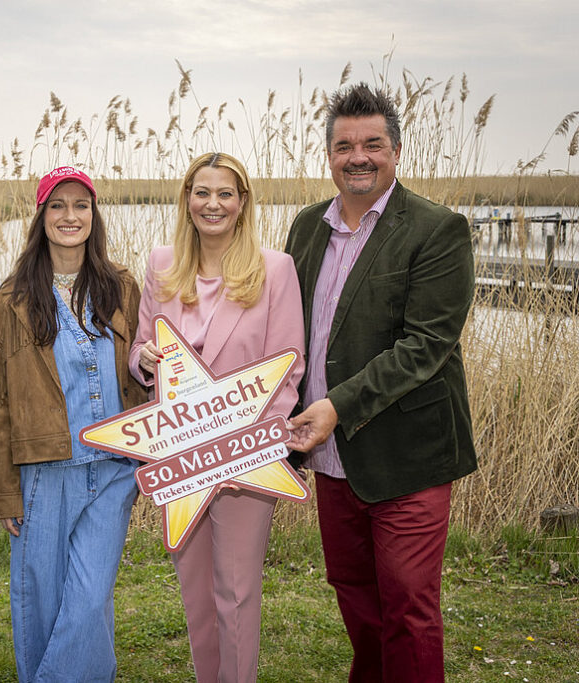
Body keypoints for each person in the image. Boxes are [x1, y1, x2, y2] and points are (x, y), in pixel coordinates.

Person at [285, 83, 476, 683]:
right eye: (344, 146)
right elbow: (288, 332)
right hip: (330, 456)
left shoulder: (436, 229)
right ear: (329, 156)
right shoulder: (307, 227)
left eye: (372, 144)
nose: (358, 157)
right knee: (356, 597)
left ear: (395, 150)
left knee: (408, 608)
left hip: (407, 454)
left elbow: (426, 346)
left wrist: (335, 407)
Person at [129, 152, 305, 683]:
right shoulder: (162, 264)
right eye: (202, 192)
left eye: (225, 193)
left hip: (243, 458)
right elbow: (140, 347)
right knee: (196, 592)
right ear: (187, 199)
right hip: (181, 458)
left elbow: (289, 367)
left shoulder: (275, 269)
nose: (213, 204)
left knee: (236, 591)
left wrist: (249, 449)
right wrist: (143, 360)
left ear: (242, 202)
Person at [0, 166, 145, 682]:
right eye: (57, 205)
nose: (70, 216)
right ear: (41, 215)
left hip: (114, 469)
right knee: (42, 600)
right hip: (44, 472)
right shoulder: (13, 299)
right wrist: (4, 491)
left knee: (90, 597)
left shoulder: (122, 287)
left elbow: (142, 372)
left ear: (94, 215)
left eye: (81, 205)